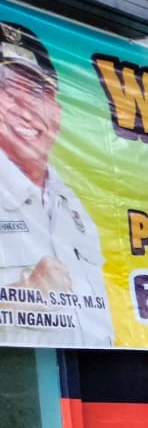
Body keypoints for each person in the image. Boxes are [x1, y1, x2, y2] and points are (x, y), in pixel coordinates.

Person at [0, 22, 111, 344]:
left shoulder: (76, 208)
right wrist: (25, 295)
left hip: (87, 384)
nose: (24, 107)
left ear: (58, 112)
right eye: (5, 87)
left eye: (36, 91)